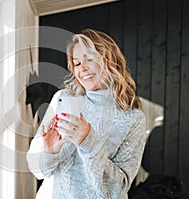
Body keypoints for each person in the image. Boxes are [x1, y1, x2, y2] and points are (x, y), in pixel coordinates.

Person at [26, 29, 147, 199]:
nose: (82, 68)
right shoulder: (63, 99)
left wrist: (88, 142)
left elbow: (117, 190)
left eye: (89, 59)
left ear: (110, 60)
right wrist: (50, 152)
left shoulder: (133, 119)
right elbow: (37, 170)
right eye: (76, 63)